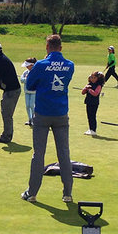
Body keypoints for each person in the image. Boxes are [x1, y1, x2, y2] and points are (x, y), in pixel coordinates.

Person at [23, 34, 75, 203]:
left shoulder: (41, 65)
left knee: (39, 153)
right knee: (64, 153)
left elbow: (30, 85)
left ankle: (32, 193)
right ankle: (67, 193)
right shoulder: (69, 65)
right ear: (61, 48)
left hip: (43, 113)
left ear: (47, 47)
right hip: (61, 113)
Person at [0, 41, 21, 143]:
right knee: (6, 113)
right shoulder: (0, 59)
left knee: (7, 114)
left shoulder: (1, 61)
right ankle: (7, 135)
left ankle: (6, 136)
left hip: (11, 91)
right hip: (11, 90)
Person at [81, 71, 104, 136]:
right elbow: (82, 92)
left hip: (94, 103)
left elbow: (95, 93)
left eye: (94, 78)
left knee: (92, 116)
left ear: (97, 78)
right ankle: (90, 129)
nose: (92, 79)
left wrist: (89, 90)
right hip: (88, 101)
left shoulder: (99, 85)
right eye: (91, 77)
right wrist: (86, 88)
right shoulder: (89, 84)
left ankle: (93, 130)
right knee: (89, 116)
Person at [20, 57, 37, 126]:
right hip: (27, 92)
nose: (26, 66)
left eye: (28, 65)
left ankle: (34, 119)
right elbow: (21, 80)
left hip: (34, 92)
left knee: (32, 106)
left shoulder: (36, 72)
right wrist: (26, 79)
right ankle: (30, 119)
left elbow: (34, 81)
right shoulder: (25, 72)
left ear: (32, 65)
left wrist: (27, 79)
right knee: (27, 106)